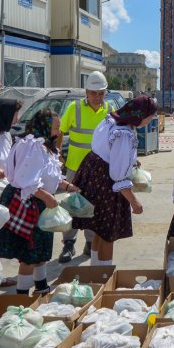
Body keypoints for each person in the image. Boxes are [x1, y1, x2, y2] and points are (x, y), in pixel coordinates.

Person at [0, 109, 77, 295]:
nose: (58, 131)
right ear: (44, 126)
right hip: (27, 201)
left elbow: (46, 174)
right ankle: (22, 295)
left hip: (39, 202)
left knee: (41, 251)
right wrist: (47, 197)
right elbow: (27, 181)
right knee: (29, 255)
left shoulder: (45, 145)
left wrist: (66, 185)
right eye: (55, 127)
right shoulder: (32, 146)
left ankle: (41, 287)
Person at [72, 96, 158, 266]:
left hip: (92, 174)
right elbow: (118, 176)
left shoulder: (111, 120)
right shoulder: (123, 134)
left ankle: (95, 272)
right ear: (141, 115)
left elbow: (106, 149)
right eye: (150, 117)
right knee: (108, 233)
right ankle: (103, 276)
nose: (149, 121)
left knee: (99, 230)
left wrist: (129, 160)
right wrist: (134, 201)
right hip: (106, 184)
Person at [57, 71, 110, 262]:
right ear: (86, 92)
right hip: (75, 167)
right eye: (93, 93)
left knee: (92, 208)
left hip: (99, 170)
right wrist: (58, 156)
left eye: (101, 93)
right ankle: (68, 244)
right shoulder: (74, 108)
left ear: (105, 93)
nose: (97, 97)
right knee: (71, 206)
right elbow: (60, 132)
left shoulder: (110, 110)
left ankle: (90, 243)